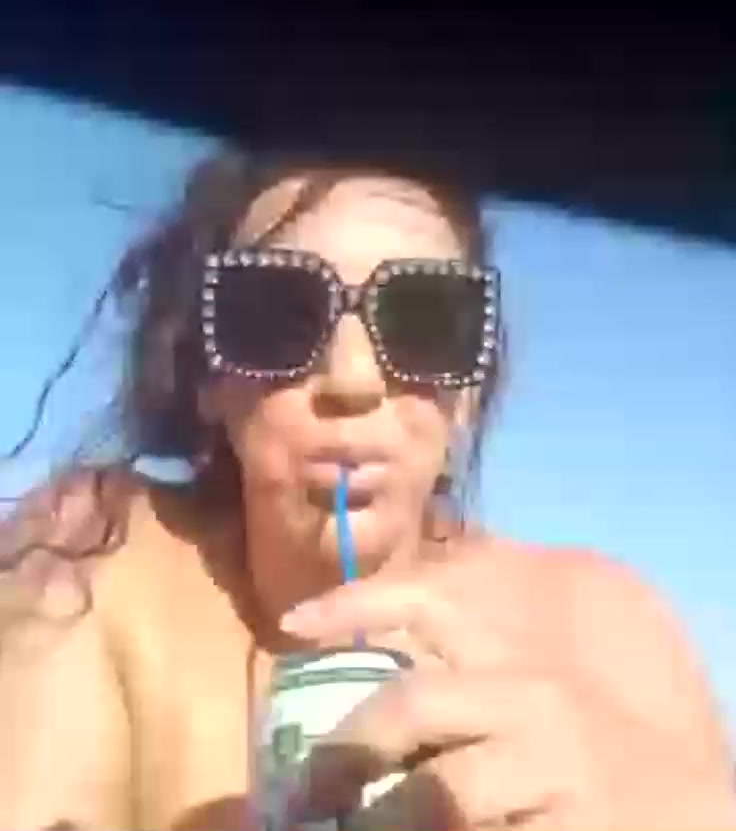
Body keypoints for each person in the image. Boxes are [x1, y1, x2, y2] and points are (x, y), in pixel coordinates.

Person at [0, 149, 734, 831]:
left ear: (468, 395)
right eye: (276, 317)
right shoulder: (89, 555)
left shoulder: (604, 630)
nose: (353, 381)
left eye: (425, 321)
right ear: (209, 382)